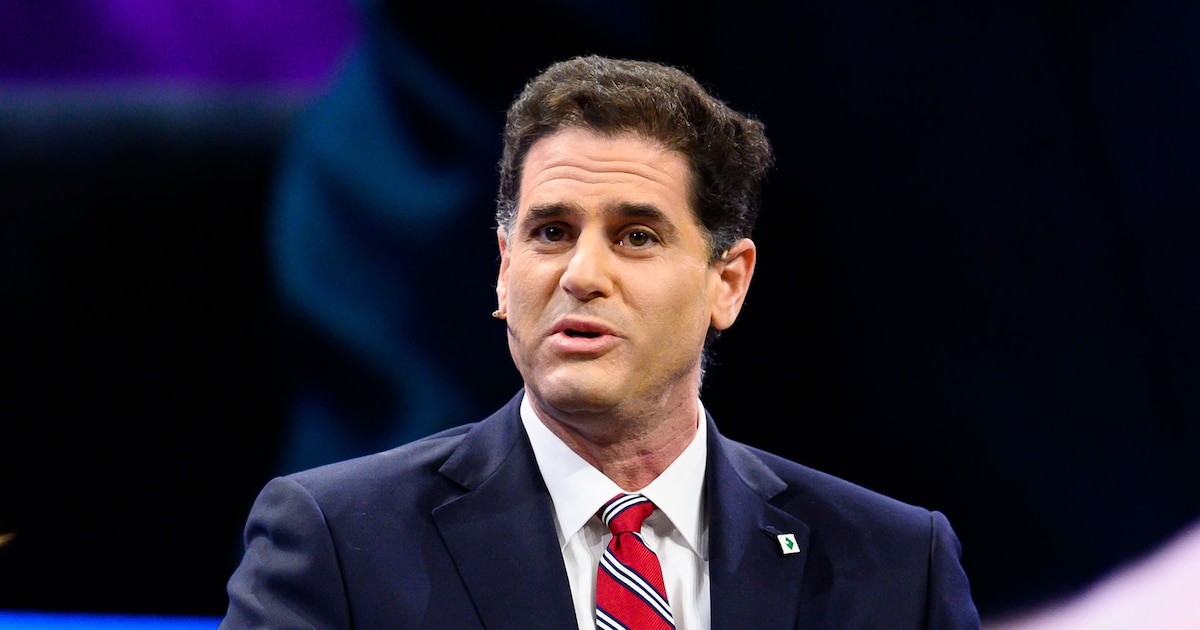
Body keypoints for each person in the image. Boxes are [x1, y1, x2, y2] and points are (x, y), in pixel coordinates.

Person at [218, 54, 980, 629]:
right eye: (551, 232)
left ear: (728, 282)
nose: (581, 275)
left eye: (636, 236)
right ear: (504, 270)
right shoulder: (338, 541)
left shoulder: (896, 565)